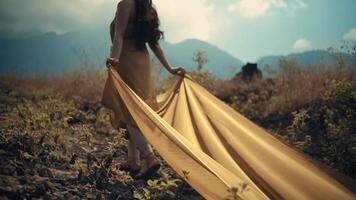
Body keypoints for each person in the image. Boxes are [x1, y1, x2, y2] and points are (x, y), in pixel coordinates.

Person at [102, 0, 185, 179]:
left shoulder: (125, 4)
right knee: (133, 109)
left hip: (126, 60)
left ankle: (149, 158)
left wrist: (114, 59)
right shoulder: (149, 8)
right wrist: (169, 68)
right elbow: (154, 44)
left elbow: (119, 35)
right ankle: (133, 160)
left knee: (129, 111)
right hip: (143, 63)